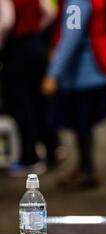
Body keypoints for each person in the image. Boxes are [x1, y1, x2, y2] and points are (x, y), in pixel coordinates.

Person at [42, 0, 106, 190]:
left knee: (82, 125)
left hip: (83, 75)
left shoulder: (76, 2)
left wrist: (53, 73)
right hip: (88, 72)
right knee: (83, 126)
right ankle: (84, 168)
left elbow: (70, 37)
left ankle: (86, 171)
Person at [1, 0, 60, 177]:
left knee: (20, 106)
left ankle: (30, 158)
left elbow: (6, 21)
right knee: (40, 101)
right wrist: (36, 30)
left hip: (17, 48)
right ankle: (53, 148)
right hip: (36, 46)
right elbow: (49, 12)